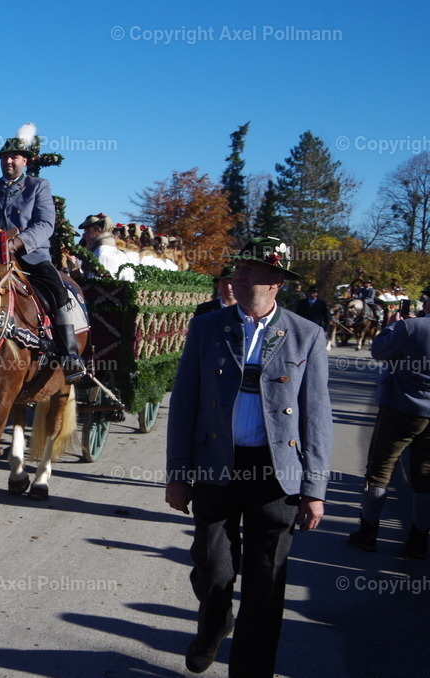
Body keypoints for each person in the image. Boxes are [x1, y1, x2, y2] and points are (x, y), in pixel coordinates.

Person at [165, 235, 332, 677]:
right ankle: (214, 626)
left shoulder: (306, 335)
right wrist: (178, 475)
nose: (236, 277)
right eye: (236, 269)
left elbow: (317, 417)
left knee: (267, 585)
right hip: (217, 468)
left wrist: (314, 488)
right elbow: (184, 404)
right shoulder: (207, 327)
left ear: (275, 280)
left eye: (249, 270)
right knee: (213, 571)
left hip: (276, 478)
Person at [0, 129, 86, 382]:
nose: (8, 161)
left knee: (58, 290)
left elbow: (45, 224)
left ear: (25, 161)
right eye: (4, 157)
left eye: (14, 157)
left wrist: (18, 243)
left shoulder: (38, 186)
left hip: (30, 256)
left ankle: (69, 355)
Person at [346, 308, 430, 558]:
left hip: (400, 408)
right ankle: (418, 539)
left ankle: (368, 532)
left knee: (380, 469)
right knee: (425, 476)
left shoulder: (411, 327)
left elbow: (379, 351)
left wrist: (392, 326)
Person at [74, 213, 132, 281]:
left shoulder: (101, 252)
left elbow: (96, 284)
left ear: (98, 230)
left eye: (87, 231)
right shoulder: (118, 253)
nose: (85, 235)